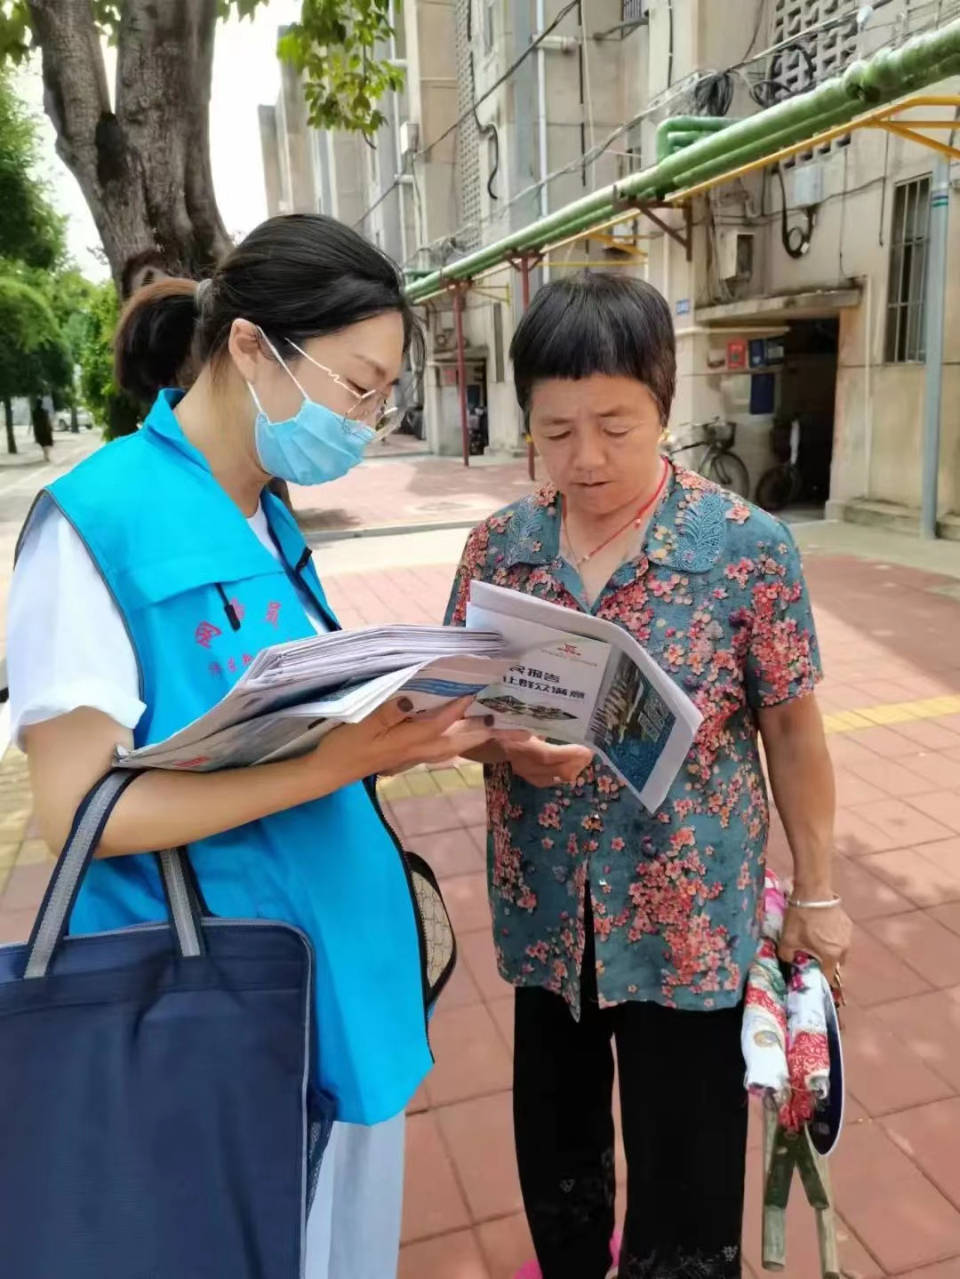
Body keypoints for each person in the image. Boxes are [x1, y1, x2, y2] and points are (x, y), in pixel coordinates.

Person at [6, 213, 515, 1279]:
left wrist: (435, 732)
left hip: (339, 976)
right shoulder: (93, 523)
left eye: (384, 396)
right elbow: (80, 814)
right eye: (357, 386)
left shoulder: (266, 522)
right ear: (251, 349)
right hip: (222, 999)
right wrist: (337, 764)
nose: (368, 421)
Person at [445, 272, 853, 1279]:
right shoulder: (503, 549)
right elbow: (457, 707)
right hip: (548, 914)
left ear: (666, 408)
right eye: (556, 428)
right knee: (560, 1163)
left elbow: (793, 731)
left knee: (685, 1180)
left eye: (616, 426)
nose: (584, 458)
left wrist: (820, 892)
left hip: (689, 926)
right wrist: (502, 744)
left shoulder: (744, 550)